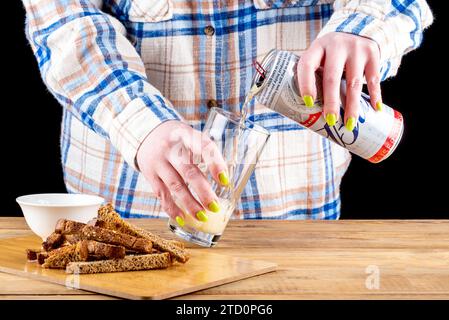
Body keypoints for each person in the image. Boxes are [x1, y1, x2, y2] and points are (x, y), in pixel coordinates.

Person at [22, 0, 433, 222]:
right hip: (126, 207)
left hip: (292, 213)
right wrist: (142, 127)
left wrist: (364, 24)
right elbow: (63, 19)